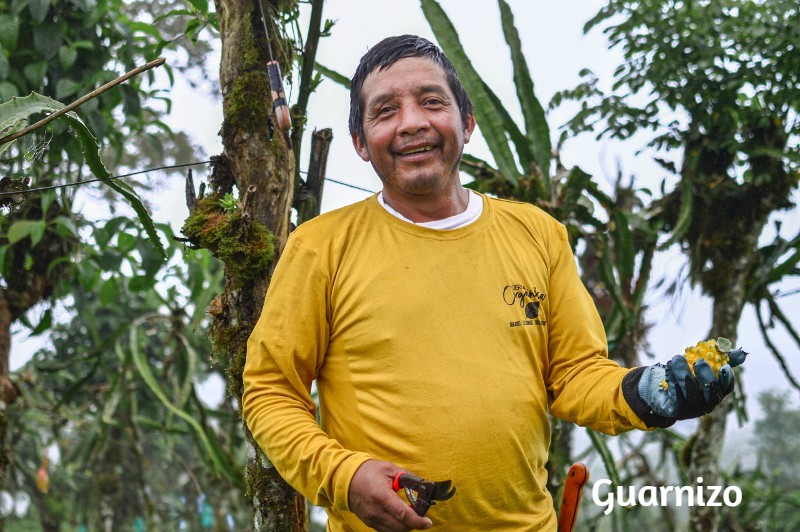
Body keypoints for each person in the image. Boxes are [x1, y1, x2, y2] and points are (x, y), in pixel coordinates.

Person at [242, 35, 746, 531]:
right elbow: (271, 390)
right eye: (385, 111)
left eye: (432, 102)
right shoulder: (321, 247)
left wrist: (648, 392)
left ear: (467, 123)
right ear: (359, 144)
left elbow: (574, 374)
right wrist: (345, 476)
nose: (413, 122)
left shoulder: (538, 234)